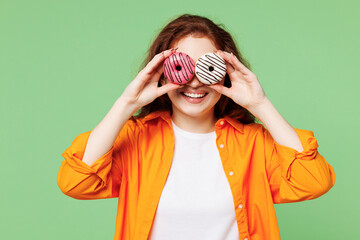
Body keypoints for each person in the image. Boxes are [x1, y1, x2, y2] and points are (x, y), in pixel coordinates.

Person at [57, 14, 336, 240]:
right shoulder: (137, 139)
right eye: (181, 68)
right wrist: (126, 102)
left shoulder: (253, 144)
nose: (194, 82)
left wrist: (260, 103)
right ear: (160, 71)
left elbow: (314, 180)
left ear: (226, 71)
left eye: (207, 67)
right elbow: (75, 181)